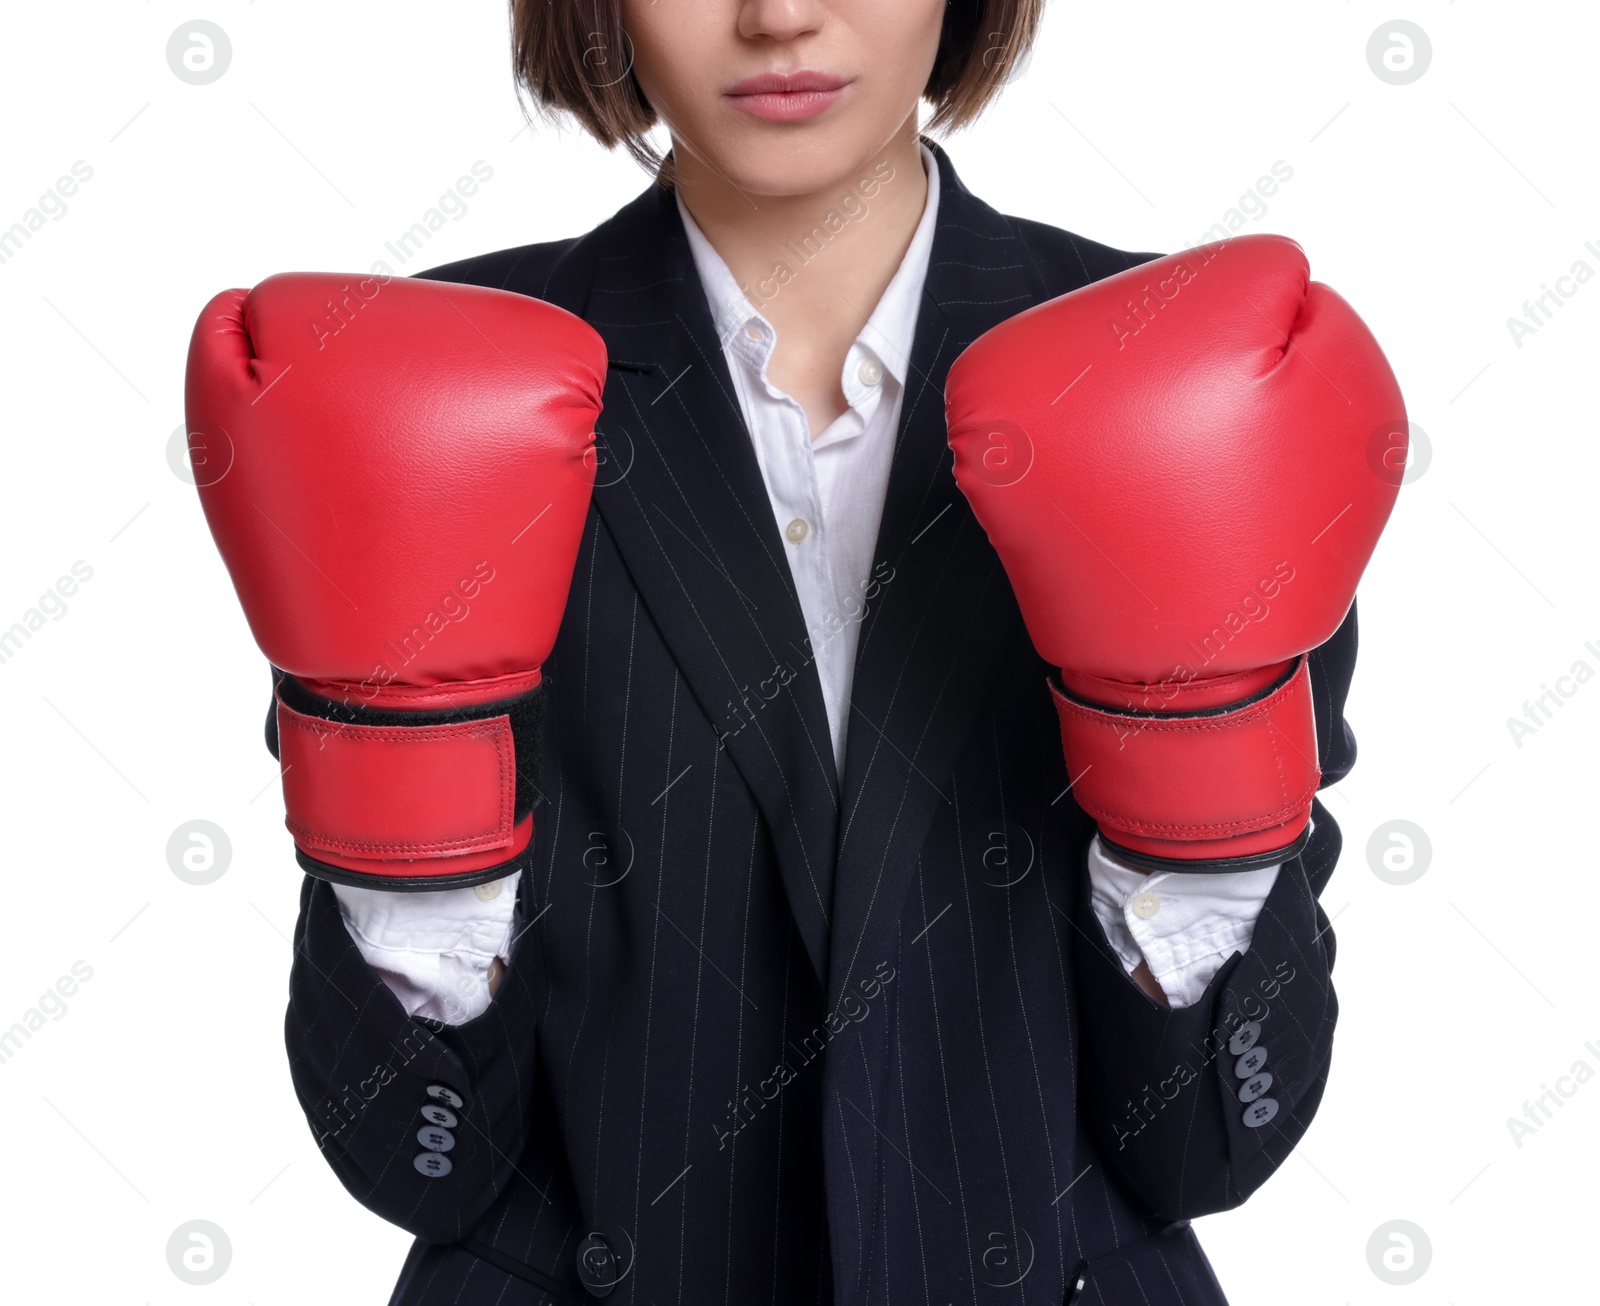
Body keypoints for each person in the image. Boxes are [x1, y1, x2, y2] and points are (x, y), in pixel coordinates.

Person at [185, 2, 1404, 1301]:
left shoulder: (1191, 370)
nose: (778, 15)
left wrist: (1192, 825)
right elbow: (413, 1159)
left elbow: (1210, 1142)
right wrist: (413, 845)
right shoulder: (407, 383)